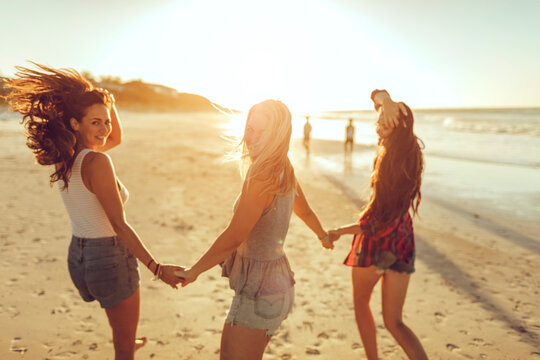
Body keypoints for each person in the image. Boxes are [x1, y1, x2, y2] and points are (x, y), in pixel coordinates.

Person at [5, 63, 182, 360]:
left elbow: (116, 138)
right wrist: (157, 269)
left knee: (122, 331)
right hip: (108, 260)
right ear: (75, 123)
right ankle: (126, 343)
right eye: (95, 122)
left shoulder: (64, 156)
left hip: (79, 259)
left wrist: (103, 101)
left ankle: (127, 337)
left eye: (106, 121)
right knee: (123, 349)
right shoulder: (97, 163)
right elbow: (119, 225)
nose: (104, 129)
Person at [175, 100, 331, 360]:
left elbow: (234, 236)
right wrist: (323, 235)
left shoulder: (262, 175)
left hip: (260, 291)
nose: (253, 138)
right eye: (250, 129)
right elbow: (304, 210)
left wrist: (194, 271)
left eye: (263, 131)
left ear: (278, 134)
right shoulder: (284, 167)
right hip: (280, 285)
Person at [328, 90, 428, 360]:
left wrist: (339, 231)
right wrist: (385, 100)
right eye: (378, 120)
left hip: (378, 243)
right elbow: (375, 98)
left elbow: (377, 225)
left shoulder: (391, 163)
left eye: (385, 122)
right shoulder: (412, 152)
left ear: (399, 124)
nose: (379, 125)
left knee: (362, 303)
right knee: (395, 322)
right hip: (403, 242)